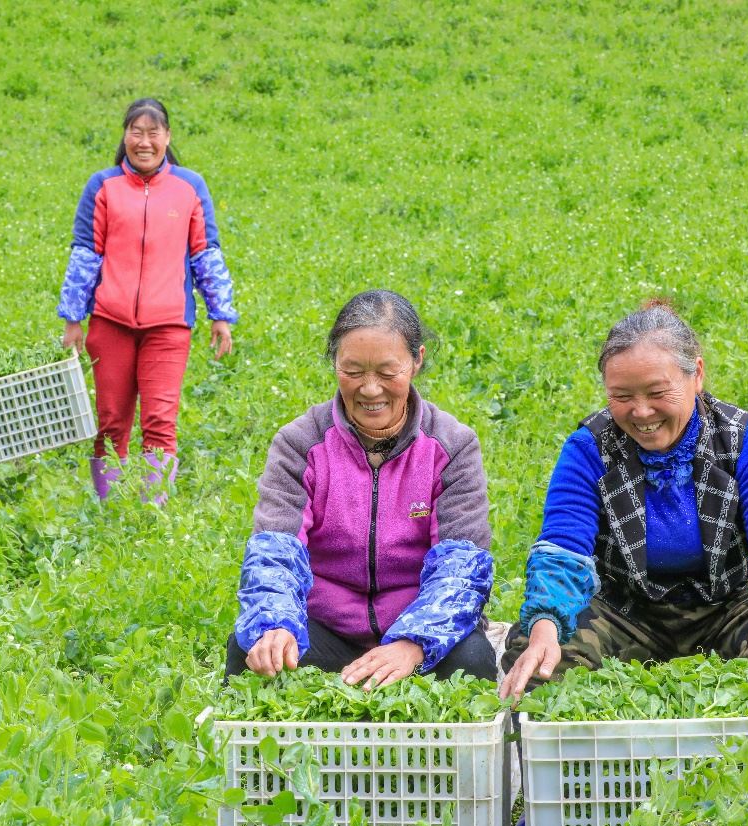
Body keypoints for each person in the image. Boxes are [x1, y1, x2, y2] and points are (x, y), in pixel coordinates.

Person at [498, 301, 748, 705]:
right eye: (621, 396)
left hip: (727, 607)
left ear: (696, 375)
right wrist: (545, 626)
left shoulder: (744, 440)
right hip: (624, 612)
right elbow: (564, 547)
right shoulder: (590, 449)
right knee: (540, 655)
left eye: (658, 393)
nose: (641, 412)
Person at [227, 290, 496, 688]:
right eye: (353, 371)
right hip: (325, 631)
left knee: (471, 659)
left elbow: (462, 568)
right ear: (335, 363)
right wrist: (276, 626)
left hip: (416, 636)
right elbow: (275, 550)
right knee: (249, 651)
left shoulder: (452, 446)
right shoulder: (300, 443)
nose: (370, 390)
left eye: (388, 372)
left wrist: (413, 642)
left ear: (417, 360)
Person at [57, 98, 238, 502]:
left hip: (168, 327)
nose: (144, 141)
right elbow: (85, 253)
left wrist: (220, 314)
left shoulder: (190, 186)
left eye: (153, 132)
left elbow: (206, 253)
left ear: (167, 137)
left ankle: (150, 514)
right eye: (136, 132)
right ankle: (108, 509)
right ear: (125, 137)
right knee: (110, 423)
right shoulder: (102, 186)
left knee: (159, 421)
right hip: (110, 323)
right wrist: (73, 317)